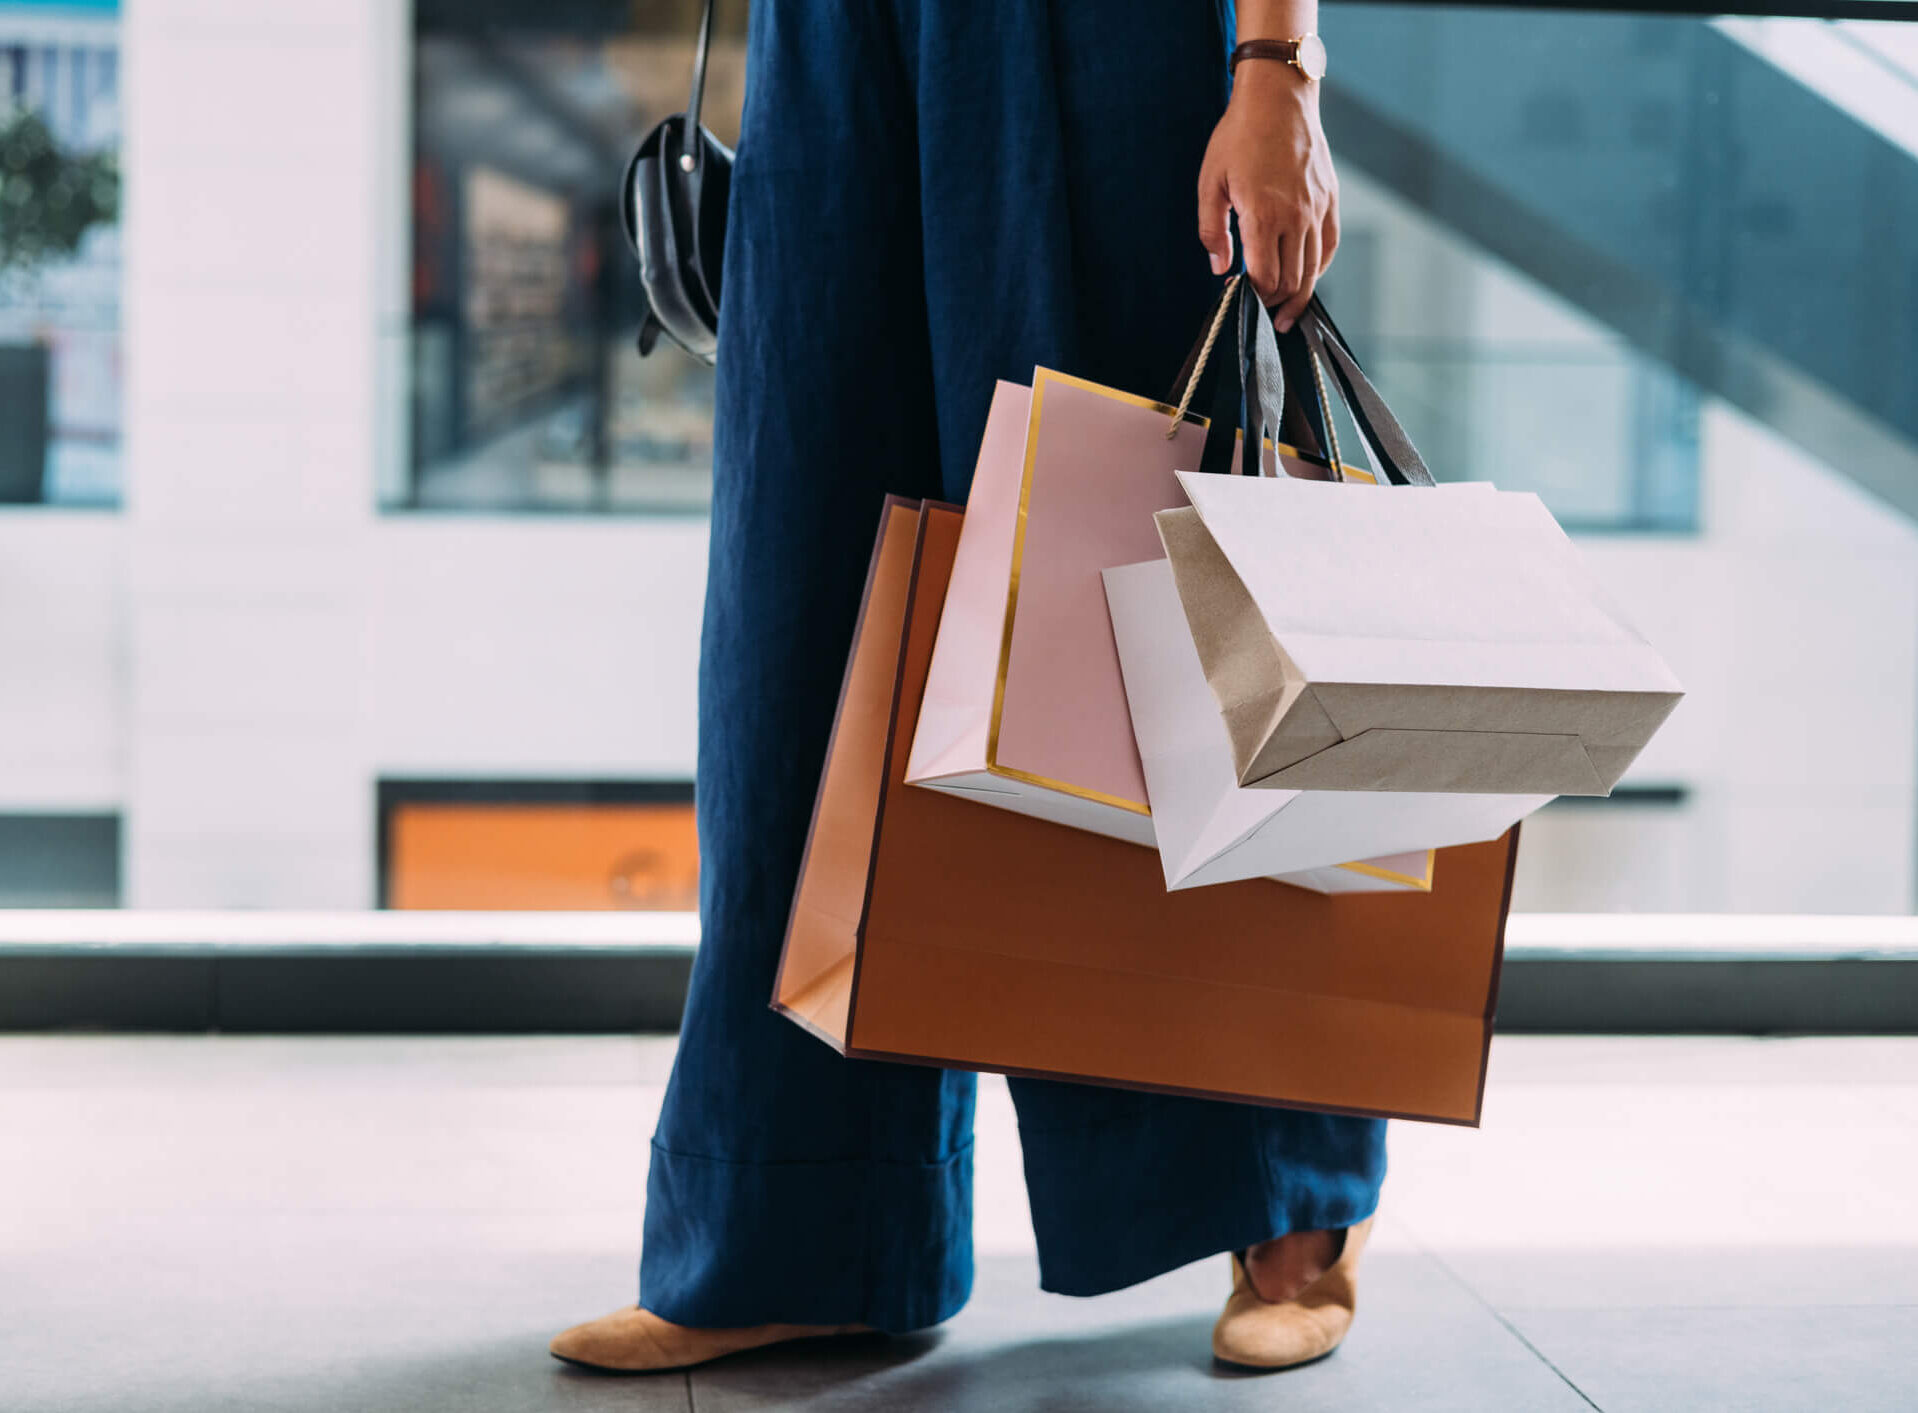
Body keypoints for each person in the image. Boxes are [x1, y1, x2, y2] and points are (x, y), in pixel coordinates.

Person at [551, 0, 1376, 1375]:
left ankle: (1287, 1202)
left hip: (1114, 41)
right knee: (801, 616)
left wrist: (1276, 61)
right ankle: (806, 1226)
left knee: (1153, 595)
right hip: (835, 40)